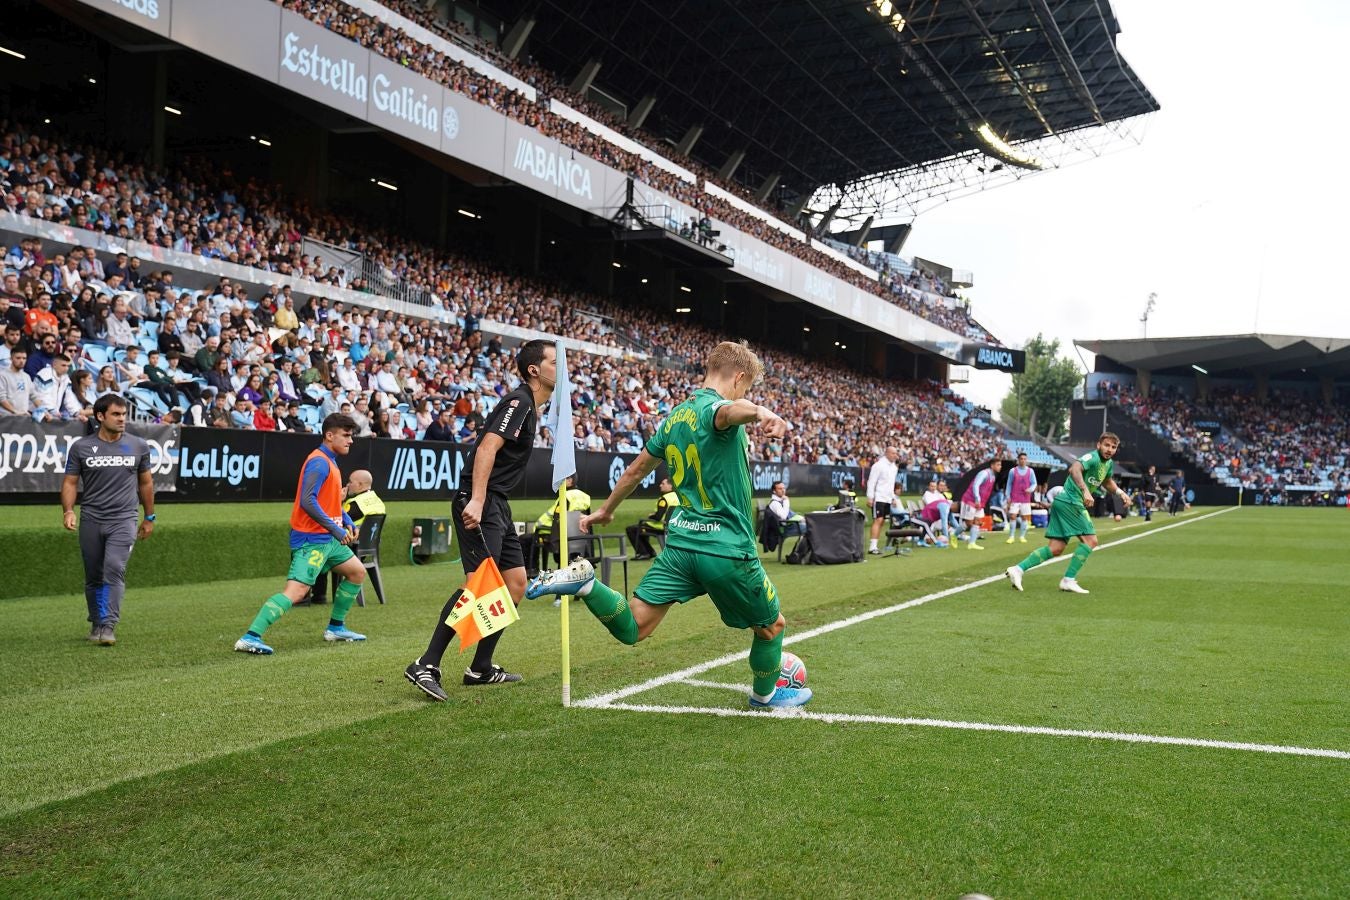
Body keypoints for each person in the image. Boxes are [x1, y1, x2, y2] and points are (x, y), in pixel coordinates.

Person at [525, 341, 812, 710]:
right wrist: (763, 412)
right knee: (772, 627)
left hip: (680, 546)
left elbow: (634, 471)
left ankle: (586, 584)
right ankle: (765, 696)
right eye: (747, 387)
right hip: (725, 548)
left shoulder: (675, 417)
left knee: (633, 627)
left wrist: (605, 512)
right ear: (739, 378)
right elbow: (730, 410)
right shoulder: (717, 409)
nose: (745, 393)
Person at [404, 340, 555, 700]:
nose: (561, 368)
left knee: (515, 583)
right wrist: (477, 498)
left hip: (497, 504)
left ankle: (480, 668)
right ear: (534, 370)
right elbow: (487, 446)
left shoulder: (532, 407)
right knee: (479, 586)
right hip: (480, 501)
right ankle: (425, 663)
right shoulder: (519, 402)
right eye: (554, 361)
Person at [233, 414, 369, 654]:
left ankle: (335, 628)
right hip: (312, 540)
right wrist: (336, 528)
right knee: (297, 591)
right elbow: (307, 501)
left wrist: (346, 520)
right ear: (329, 435)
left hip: (328, 538)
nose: (351, 441)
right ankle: (250, 636)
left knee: (357, 572)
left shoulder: (331, 461)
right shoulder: (318, 462)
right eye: (346, 435)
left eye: (351, 436)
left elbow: (331, 502)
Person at [60, 395, 155, 646]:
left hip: (124, 519)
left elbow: (146, 482)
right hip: (91, 518)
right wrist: (68, 511)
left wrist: (149, 516)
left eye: (124, 414)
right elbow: (70, 482)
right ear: (100, 416)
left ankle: (109, 625)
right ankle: (97, 622)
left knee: (114, 568)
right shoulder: (81, 447)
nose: (122, 419)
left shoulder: (138, 445)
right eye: (116, 414)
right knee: (93, 575)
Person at [1006, 433, 1130, 595]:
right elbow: (1074, 469)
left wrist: (1120, 493)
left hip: (1063, 503)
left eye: (1113, 447)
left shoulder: (1108, 464)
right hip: (1071, 502)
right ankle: (1068, 580)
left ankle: (1018, 569)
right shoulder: (1092, 457)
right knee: (1091, 541)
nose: (1110, 449)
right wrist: (1085, 490)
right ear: (1099, 445)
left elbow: (1107, 481)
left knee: (1056, 548)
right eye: (1106, 445)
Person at [310, 469, 387, 604]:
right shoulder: (377, 500)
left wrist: (338, 501)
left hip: (351, 549)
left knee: (318, 545)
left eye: (350, 482)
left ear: (360, 484)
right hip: (368, 549)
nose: (347, 485)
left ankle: (318, 595)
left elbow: (335, 520)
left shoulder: (356, 504)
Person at [529, 474, 592, 573]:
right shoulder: (585, 497)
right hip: (579, 538)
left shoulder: (565, 496)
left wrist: (555, 544)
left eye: (563, 480)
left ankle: (532, 570)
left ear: (570, 481)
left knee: (526, 538)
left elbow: (557, 521)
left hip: (554, 534)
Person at [625, 477, 678, 560]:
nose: (660, 485)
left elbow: (658, 517)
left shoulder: (664, 499)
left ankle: (644, 553)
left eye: (663, 484)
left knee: (632, 529)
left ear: (670, 486)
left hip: (660, 527)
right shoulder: (678, 497)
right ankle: (649, 552)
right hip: (674, 527)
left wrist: (651, 516)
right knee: (640, 528)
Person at [956, 459, 1002, 550]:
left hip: (980, 502)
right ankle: (954, 535)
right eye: (998, 465)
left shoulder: (993, 476)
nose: (1000, 467)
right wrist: (977, 498)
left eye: (1000, 465)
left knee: (978, 521)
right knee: (968, 523)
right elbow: (976, 485)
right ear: (992, 465)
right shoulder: (984, 473)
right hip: (971, 500)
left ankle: (972, 543)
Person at [866, 447, 899, 554]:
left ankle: (875, 545)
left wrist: (893, 497)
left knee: (882, 521)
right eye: (893, 453)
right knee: (878, 520)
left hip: (887, 498)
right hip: (878, 497)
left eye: (896, 453)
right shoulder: (878, 466)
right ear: (887, 453)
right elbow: (871, 482)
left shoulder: (894, 467)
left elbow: (891, 484)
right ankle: (872, 547)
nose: (895, 455)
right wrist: (870, 497)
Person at [1004, 452, 1037, 544]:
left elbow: (1034, 483)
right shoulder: (1012, 471)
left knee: (1024, 517)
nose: (1023, 460)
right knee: (1013, 516)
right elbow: (1009, 484)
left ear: (1026, 460)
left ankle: (1022, 536)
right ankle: (1011, 536)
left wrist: (1030, 489)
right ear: (1018, 460)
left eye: (1024, 459)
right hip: (1015, 497)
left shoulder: (1030, 471)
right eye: (1021, 459)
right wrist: (1008, 496)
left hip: (1025, 498)